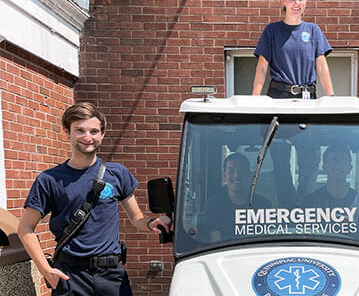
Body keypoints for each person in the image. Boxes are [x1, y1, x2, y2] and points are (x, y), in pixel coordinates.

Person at [17, 102, 171, 295]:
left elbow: (136, 217)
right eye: (80, 130)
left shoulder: (118, 174)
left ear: (102, 134)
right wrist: (45, 270)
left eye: (94, 131)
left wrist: (151, 223)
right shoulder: (48, 180)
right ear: (67, 132)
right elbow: (25, 228)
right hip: (70, 275)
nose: (87, 137)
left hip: (112, 275)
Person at [252, 0, 335, 99]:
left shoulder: (314, 30)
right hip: (279, 97)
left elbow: (322, 68)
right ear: (283, 0)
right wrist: (255, 98)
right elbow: (261, 68)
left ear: (306, 1)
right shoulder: (272, 30)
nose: (297, 3)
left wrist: (331, 96)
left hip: (307, 99)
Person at [301, 145, 359, 242]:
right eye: (333, 160)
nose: (338, 164)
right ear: (324, 167)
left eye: (343, 160)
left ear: (349, 168)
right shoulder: (309, 203)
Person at [201, 153, 271, 242]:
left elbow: (266, 240)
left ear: (249, 175)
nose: (236, 175)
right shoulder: (213, 205)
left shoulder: (264, 205)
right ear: (224, 174)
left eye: (241, 171)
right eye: (231, 170)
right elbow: (216, 242)